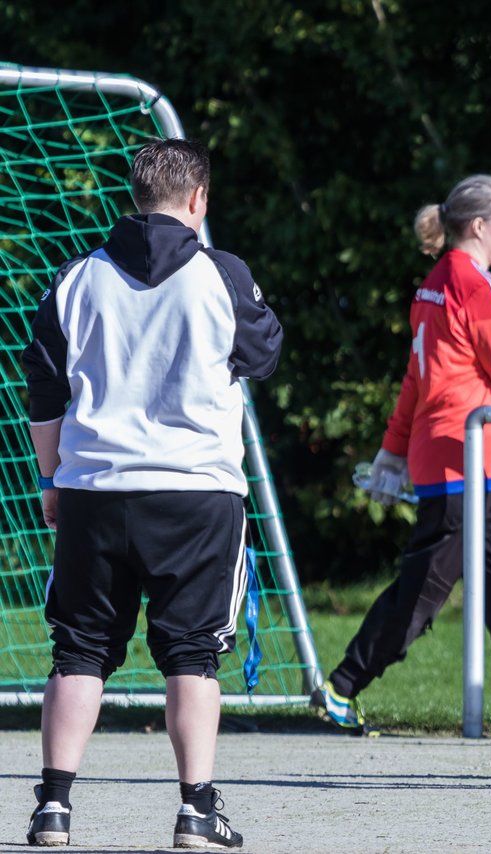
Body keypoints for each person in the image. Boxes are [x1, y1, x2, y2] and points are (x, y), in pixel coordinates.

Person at [21, 138, 281, 848]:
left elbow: (44, 390)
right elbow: (262, 354)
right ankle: (197, 809)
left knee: (77, 650)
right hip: (196, 489)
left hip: (94, 488)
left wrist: (51, 480)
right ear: (198, 199)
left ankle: (53, 806)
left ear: (134, 196)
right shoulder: (221, 274)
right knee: (192, 654)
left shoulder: (75, 279)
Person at [314, 174, 491, 739]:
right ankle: (340, 688)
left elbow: (416, 382)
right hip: (461, 464)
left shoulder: (434, 283)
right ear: (478, 226)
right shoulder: (480, 287)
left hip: (475, 465)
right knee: (420, 594)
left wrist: (393, 450)